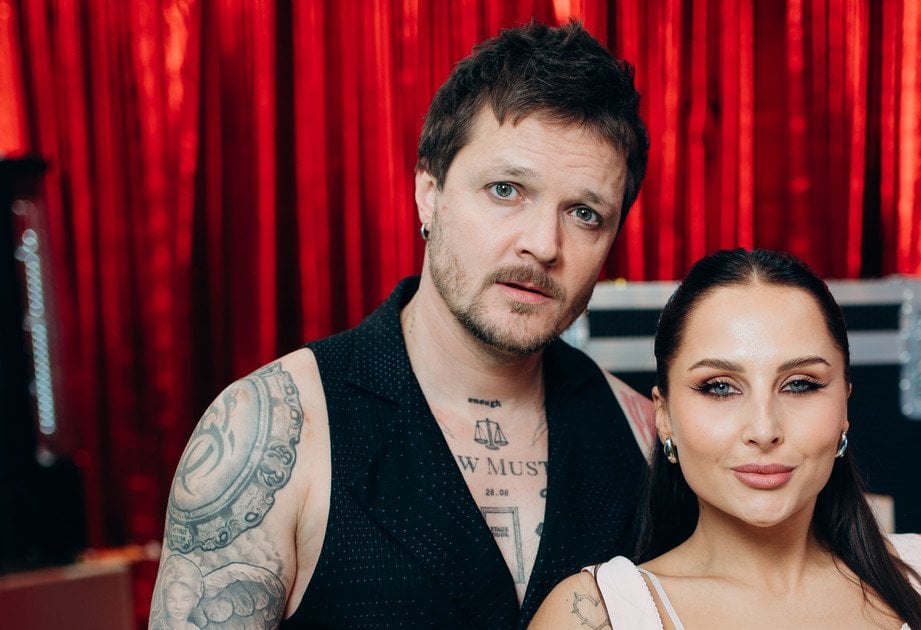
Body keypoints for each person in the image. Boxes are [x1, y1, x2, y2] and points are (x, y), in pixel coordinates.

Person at [149, 19, 655, 629]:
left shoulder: (644, 436)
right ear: (428, 193)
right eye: (506, 190)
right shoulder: (273, 427)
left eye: (584, 213)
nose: (544, 244)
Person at [531, 249, 921, 630]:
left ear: (844, 408)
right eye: (720, 387)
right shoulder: (592, 614)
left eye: (800, 384)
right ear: (663, 416)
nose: (764, 430)